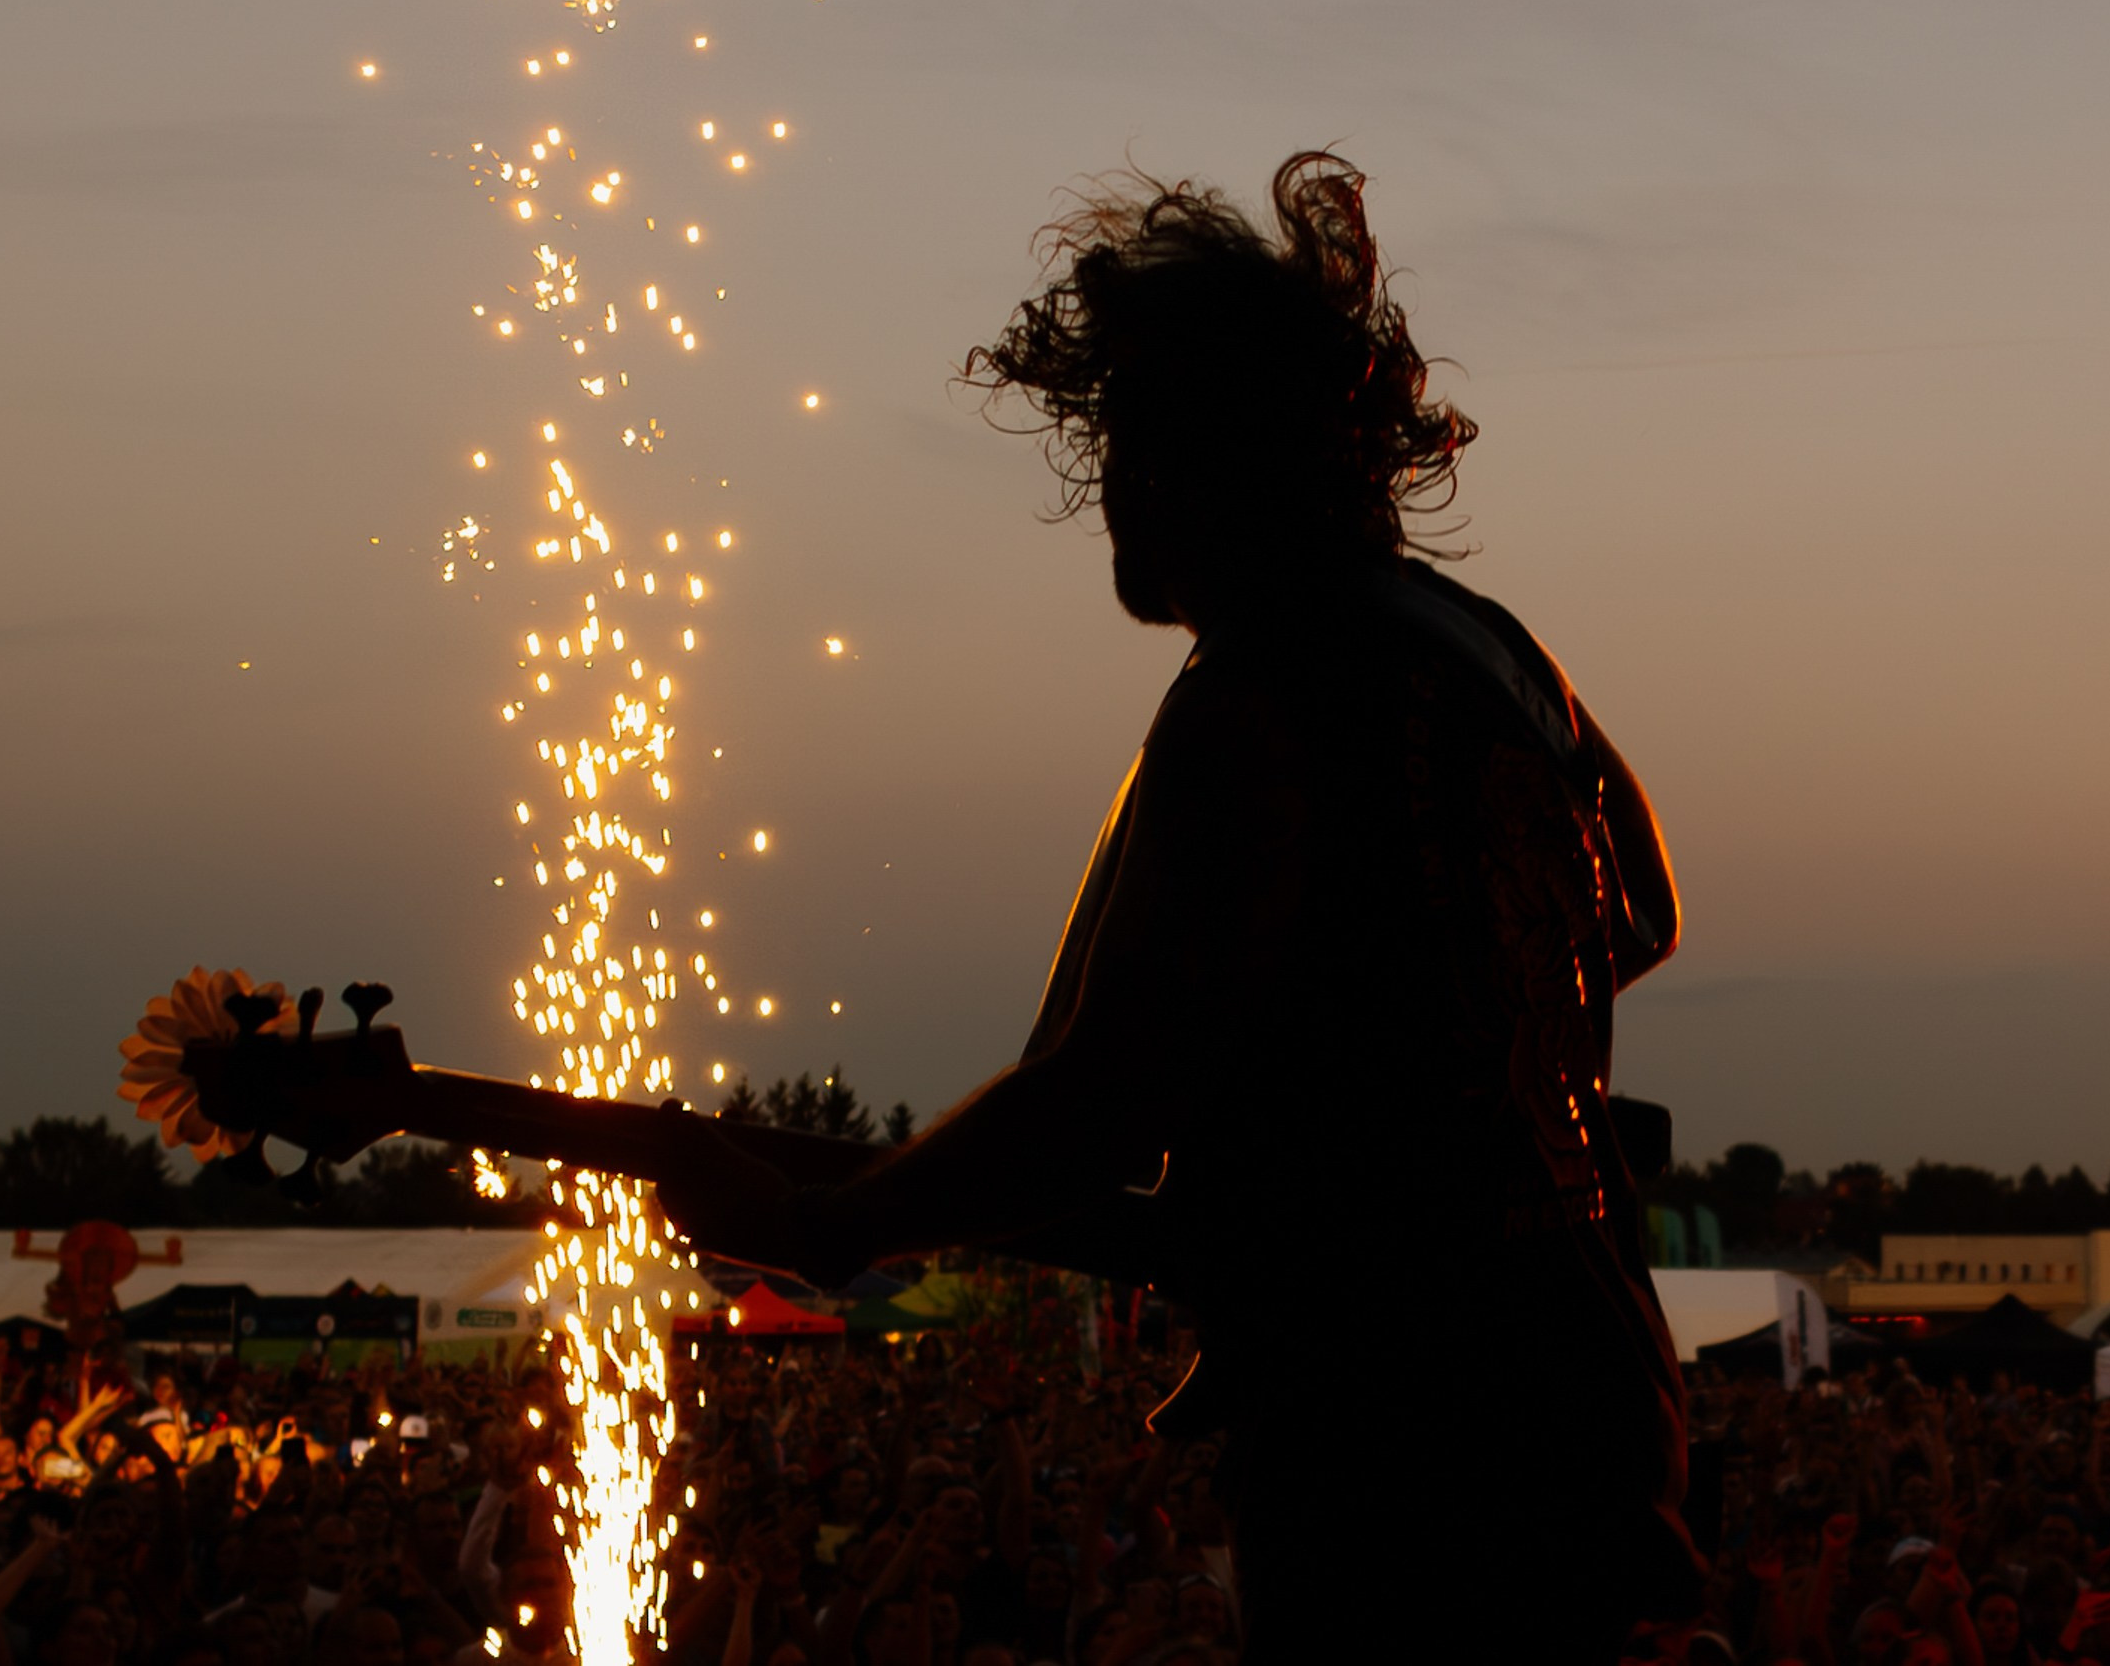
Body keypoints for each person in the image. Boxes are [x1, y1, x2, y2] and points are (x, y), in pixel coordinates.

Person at [657, 151, 1699, 1657]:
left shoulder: (1256, 707)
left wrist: (832, 1227)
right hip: (1593, 1368)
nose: (1116, 494)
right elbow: (1639, 913)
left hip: (1400, 1438)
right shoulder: (1490, 651)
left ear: (1256, 459)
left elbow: (1100, 1099)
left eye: (1154, 446)